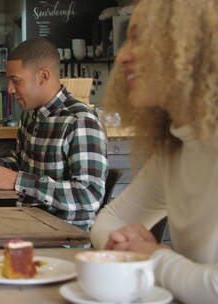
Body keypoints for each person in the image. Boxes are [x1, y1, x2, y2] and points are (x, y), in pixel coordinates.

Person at [90, 0, 218, 303]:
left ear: (194, 45)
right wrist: (135, 247)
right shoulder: (175, 147)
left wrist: (152, 256)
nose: (122, 57)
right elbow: (108, 221)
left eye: (141, 39)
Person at [0, 38, 108, 231]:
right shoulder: (30, 115)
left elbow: (89, 196)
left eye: (16, 81)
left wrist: (17, 180)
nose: (9, 89)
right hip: (27, 225)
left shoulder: (79, 121)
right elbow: (22, 163)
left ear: (43, 76)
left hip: (63, 239)